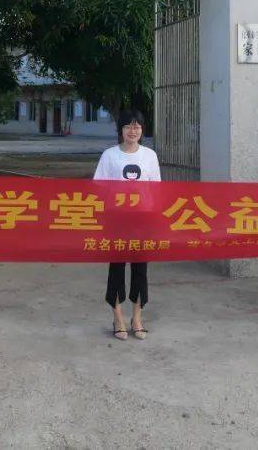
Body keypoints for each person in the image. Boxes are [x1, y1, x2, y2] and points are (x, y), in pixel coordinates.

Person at [93, 109, 161, 341]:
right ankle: (118, 317)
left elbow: (156, 189)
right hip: (117, 219)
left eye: (137, 126)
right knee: (117, 267)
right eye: (128, 126)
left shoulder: (150, 156)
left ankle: (137, 317)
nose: (133, 131)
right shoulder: (110, 155)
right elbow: (98, 188)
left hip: (142, 220)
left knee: (140, 268)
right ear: (120, 130)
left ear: (142, 130)